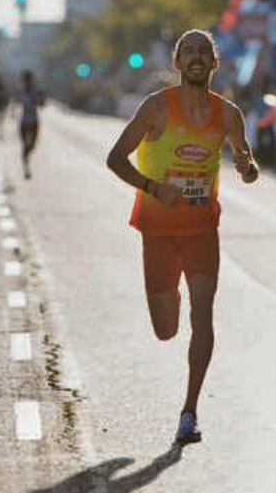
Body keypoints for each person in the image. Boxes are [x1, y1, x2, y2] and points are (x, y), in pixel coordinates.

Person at [106, 29, 260, 445]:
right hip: (157, 230)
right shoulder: (156, 108)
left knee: (203, 316)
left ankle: (189, 412)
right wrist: (155, 188)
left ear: (215, 62)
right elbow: (114, 159)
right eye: (187, 51)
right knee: (165, 329)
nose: (195, 57)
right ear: (176, 63)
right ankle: (168, 294)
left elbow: (247, 165)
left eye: (202, 51)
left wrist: (247, 169)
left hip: (201, 230)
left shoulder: (228, 114)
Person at [16, 70, 45, 179]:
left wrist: (38, 99)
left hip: (33, 121)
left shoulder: (36, 91)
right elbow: (17, 101)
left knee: (32, 145)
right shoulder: (21, 91)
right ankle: (26, 167)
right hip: (24, 121)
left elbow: (42, 104)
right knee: (25, 145)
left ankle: (26, 159)